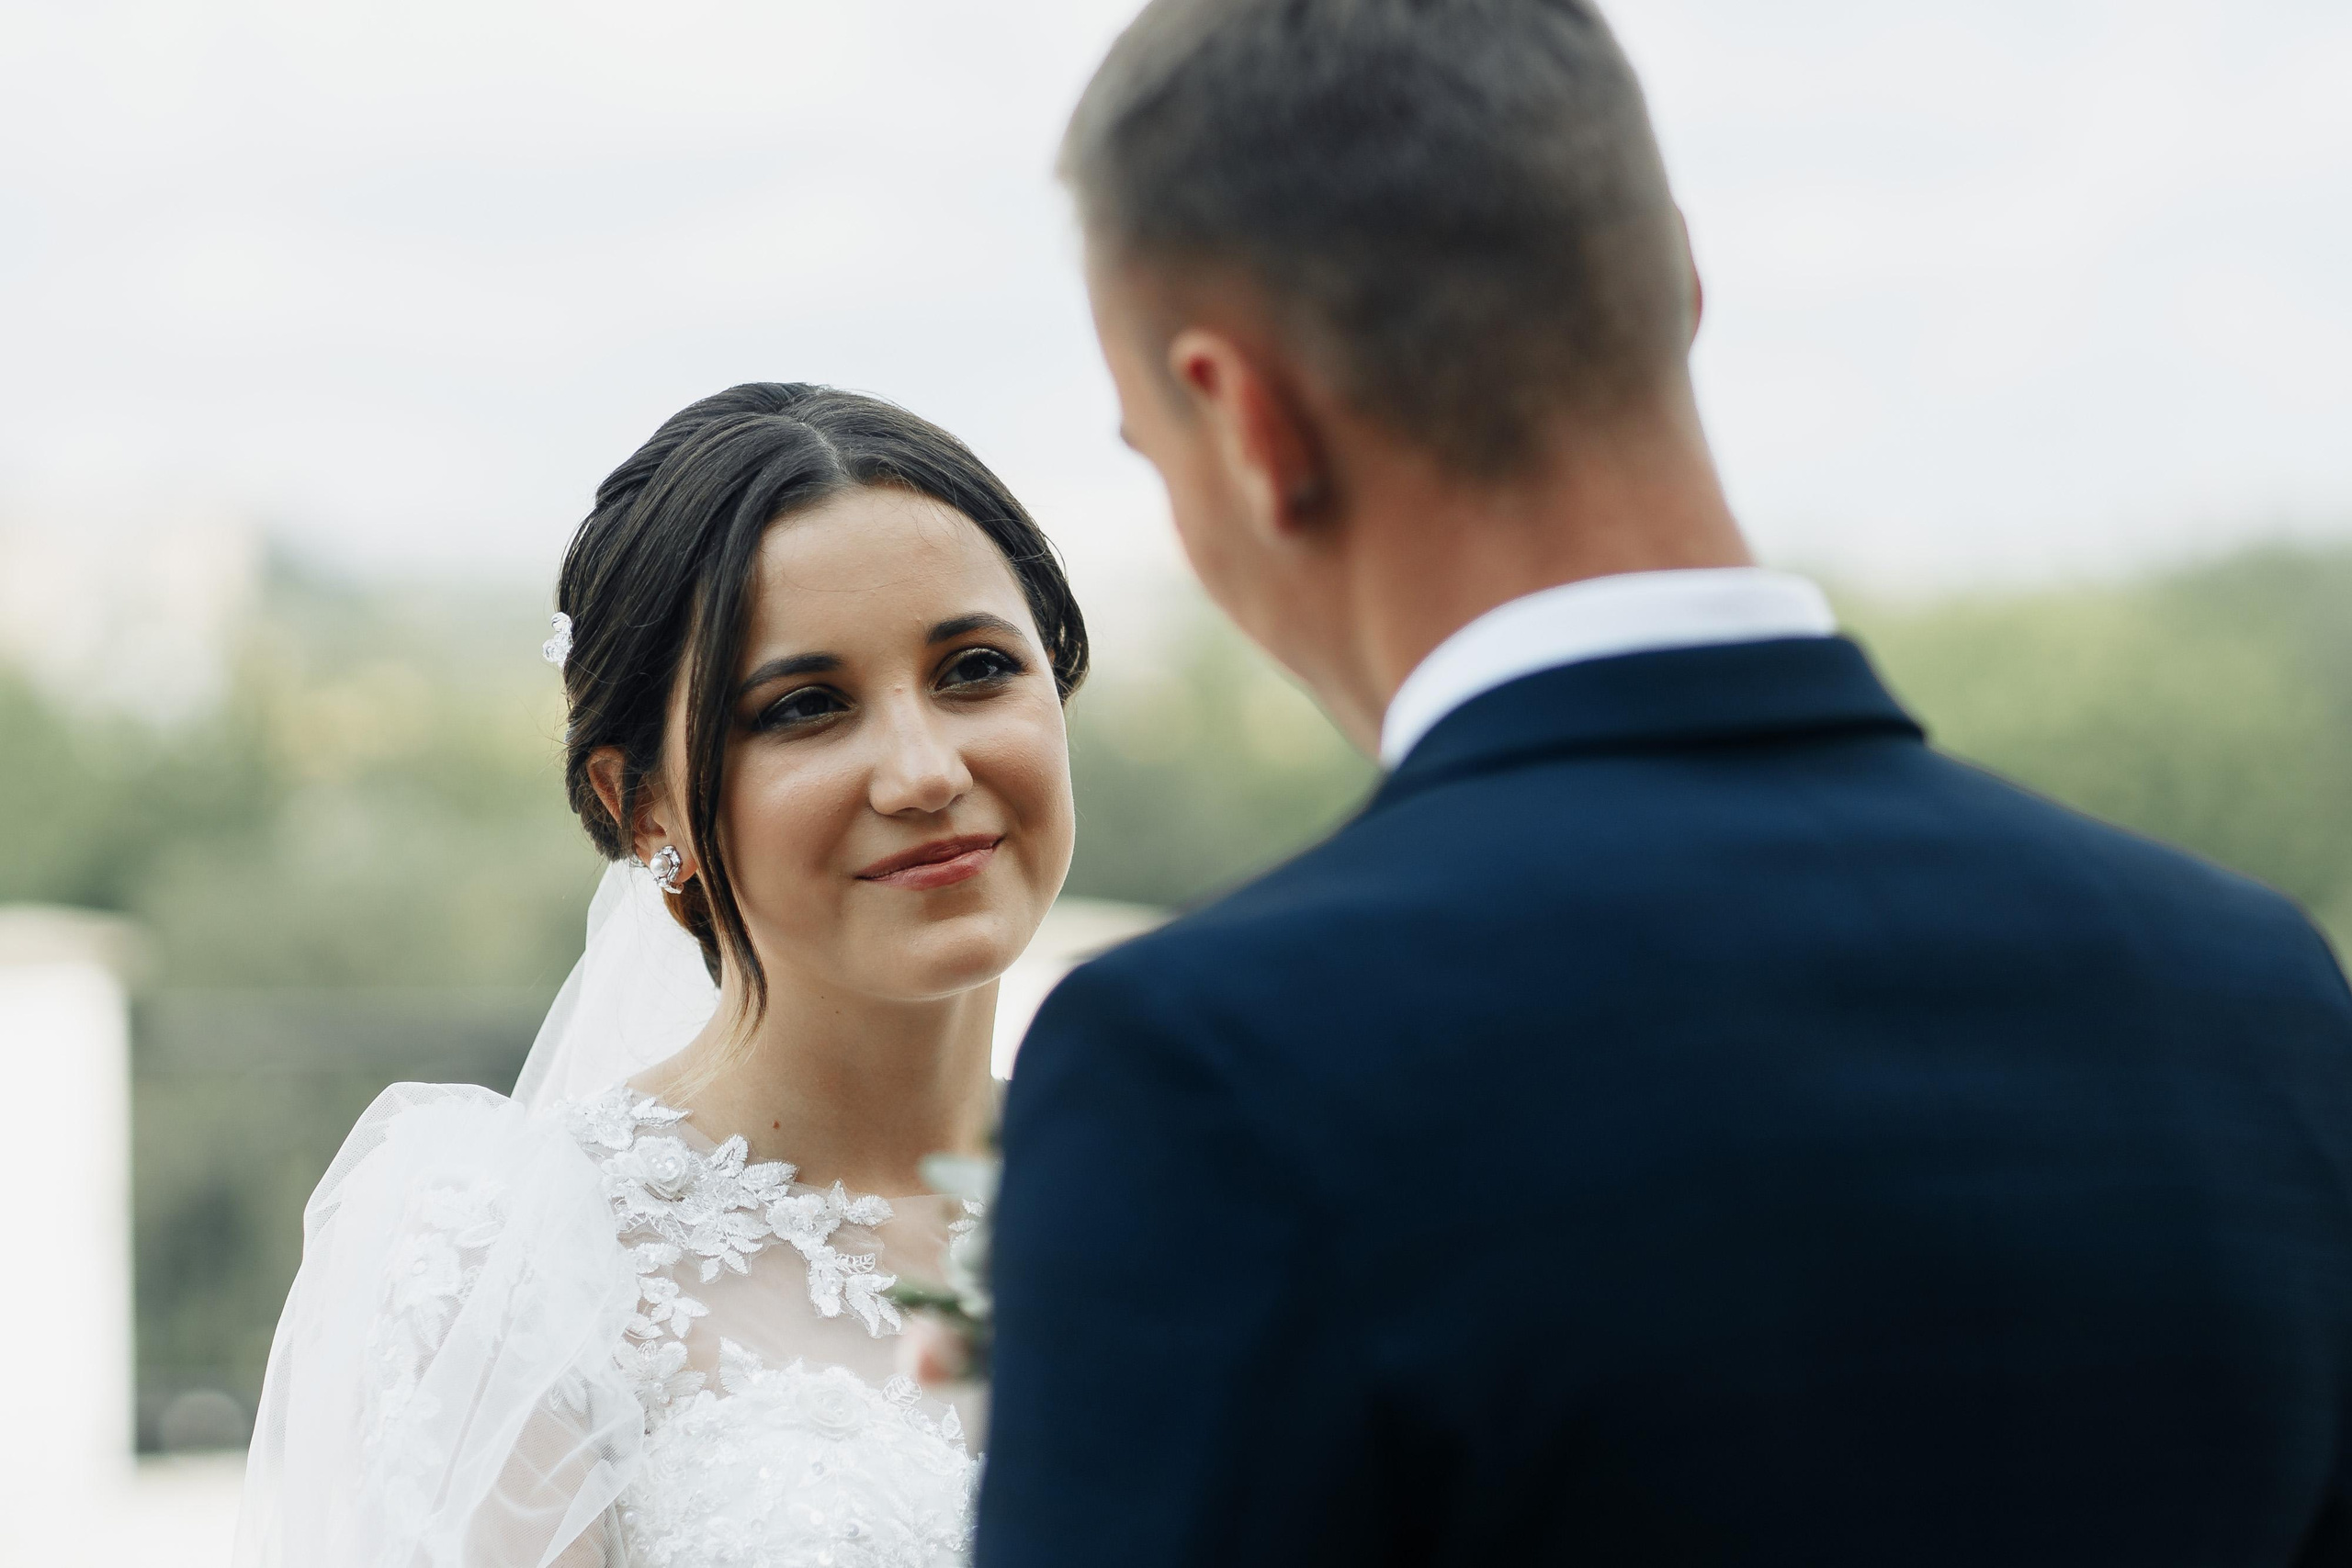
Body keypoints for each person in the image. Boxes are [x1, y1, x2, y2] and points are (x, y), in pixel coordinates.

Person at [978, 2, 2352, 1564]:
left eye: (1148, 451)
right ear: (1681, 295)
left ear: (1246, 423)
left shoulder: (1208, 1070)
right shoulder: (2263, 994)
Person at [234, 382, 1088, 1566]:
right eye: (805, 707)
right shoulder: (513, 1263)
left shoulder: (1195, 1197)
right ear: (639, 808)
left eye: (975, 670)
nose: (923, 770)